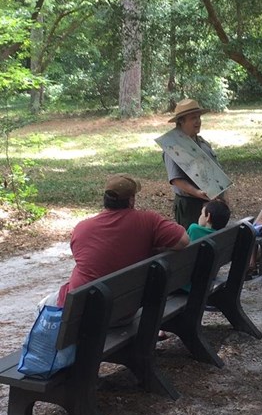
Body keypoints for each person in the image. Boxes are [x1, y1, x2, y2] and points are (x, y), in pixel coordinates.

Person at [57, 173, 189, 308]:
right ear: (131, 200)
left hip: (80, 312)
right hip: (123, 310)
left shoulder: (82, 228)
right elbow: (183, 241)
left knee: (44, 305)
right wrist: (157, 248)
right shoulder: (148, 221)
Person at [163, 98, 225, 229]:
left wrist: (223, 198)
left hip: (211, 203)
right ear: (181, 122)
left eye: (199, 117)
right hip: (190, 205)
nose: (198, 121)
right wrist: (198, 193)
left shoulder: (202, 143)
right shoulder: (173, 146)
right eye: (193, 118)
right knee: (194, 243)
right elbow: (176, 180)